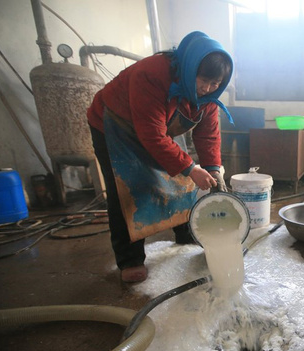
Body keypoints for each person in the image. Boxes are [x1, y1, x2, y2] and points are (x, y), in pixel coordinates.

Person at [87, 31, 232, 284]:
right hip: (116, 125)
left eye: (215, 84)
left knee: (182, 180)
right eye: (204, 80)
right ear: (190, 69)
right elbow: (152, 135)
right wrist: (191, 168)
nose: (208, 88)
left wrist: (213, 168)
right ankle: (130, 259)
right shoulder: (152, 74)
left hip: (158, 128)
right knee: (129, 189)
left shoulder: (208, 98)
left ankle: (186, 234)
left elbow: (208, 136)